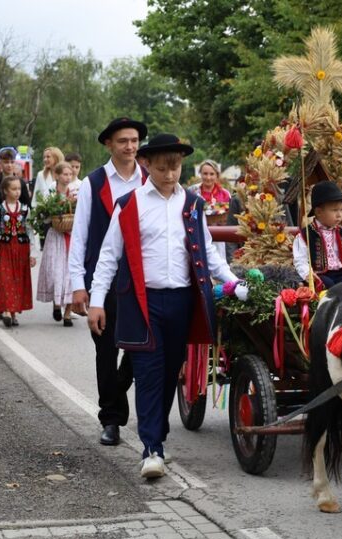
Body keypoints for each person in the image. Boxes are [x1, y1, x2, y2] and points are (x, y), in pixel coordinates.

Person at [87, 133, 237, 479]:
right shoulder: (131, 204)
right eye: (162, 167)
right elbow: (109, 256)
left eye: (176, 167)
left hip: (183, 301)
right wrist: (97, 302)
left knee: (171, 373)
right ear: (146, 165)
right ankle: (151, 448)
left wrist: (232, 283)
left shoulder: (193, 205)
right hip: (144, 302)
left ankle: (159, 436)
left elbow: (209, 252)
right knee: (148, 373)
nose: (170, 174)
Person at [68, 117, 147, 447]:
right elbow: (80, 234)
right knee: (106, 348)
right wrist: (77, 283)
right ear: (109, 145)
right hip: (104, 278)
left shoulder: (149, 179)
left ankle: (118, 396)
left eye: (134, 140)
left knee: (141, 345)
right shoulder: (93, 182)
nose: (129, 147)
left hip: (143, 278)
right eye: (122, 141)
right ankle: (111, 419)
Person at [292, 180, 342, 288]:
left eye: (341, 210)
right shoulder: (306, 235)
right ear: (319, 212)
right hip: (320, 275)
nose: (339, 215)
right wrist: (307, 274)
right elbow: (300, 260)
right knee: (327, 285)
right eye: (334, 210)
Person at [0, 176, 37, 327]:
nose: (17, 192)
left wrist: (33, 253)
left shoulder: (25, 209)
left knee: (17, 280)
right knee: (4, 279)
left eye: (19, 189)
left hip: (21, 250)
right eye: (13, 189)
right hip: (5, 248)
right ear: (5, 191)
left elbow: (30, 231)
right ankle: (7, 311)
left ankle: (13, 312)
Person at [37, 162, 77, 326]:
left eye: (70, 174)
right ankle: (56, 304)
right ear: (57, 175)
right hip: (55, 236)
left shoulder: (76, 192)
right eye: (65, 174)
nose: (68, 177)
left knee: (70, 274)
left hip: (71, 236)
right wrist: (53, 214)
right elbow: (43, 217)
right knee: (54, 271)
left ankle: (68, 313)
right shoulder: (51, 193)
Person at [193, 160, 232, 261]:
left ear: (217, 175)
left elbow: (228, 215)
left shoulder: (225, 194)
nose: (208, 177)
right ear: (200, 174)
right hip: (197, 235)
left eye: (212, 174)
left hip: (218, 237)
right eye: (205, 174)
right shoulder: (193, 191)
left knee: (219, 262)